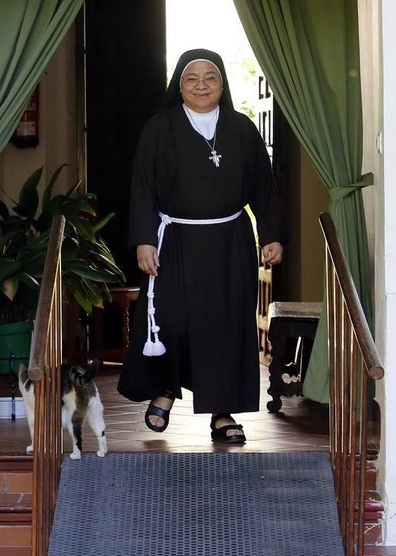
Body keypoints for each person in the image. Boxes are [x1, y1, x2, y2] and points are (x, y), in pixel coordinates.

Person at [116, 48, 286, 444]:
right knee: (172, 321)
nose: (201, 86)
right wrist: (144, 240)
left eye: (210, 78)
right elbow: (142, 186)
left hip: (229, 243)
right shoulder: (160, 128)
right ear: (179, 86)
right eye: (192, 79)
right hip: (174, 241)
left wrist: (272, 234)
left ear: (222, 85)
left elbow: (263, 185)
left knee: (225, 326)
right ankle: (165, 389)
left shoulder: (242, 129)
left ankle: (222, 413)